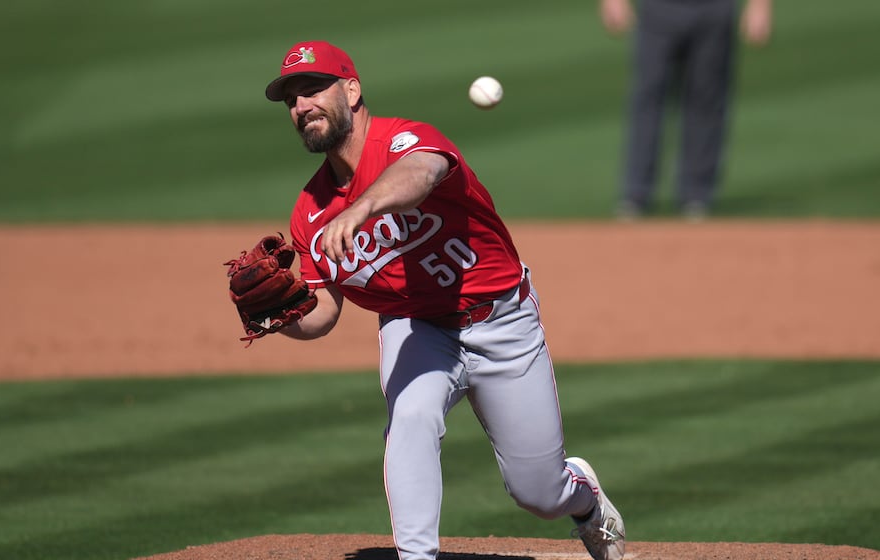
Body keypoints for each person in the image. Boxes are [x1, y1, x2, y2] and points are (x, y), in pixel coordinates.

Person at [261, 40, 626, 560]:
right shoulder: (310, 211)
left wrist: (362, 207)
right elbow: (322, 311)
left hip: (503, 321)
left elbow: (421, 175)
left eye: (312, 89)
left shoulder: (408, 141)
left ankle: (584, 502)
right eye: (291, 99)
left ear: (352, 90)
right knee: (410, 416)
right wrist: (279, 316)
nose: (301, 106)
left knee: (538, 492)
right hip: (418, 327)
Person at [601, 0, 772, 220]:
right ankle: (636, 194)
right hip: (658, 8)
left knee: (706, 99)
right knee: (648, 97)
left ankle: (696, 196)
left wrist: (760, 6)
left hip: (715, 8)